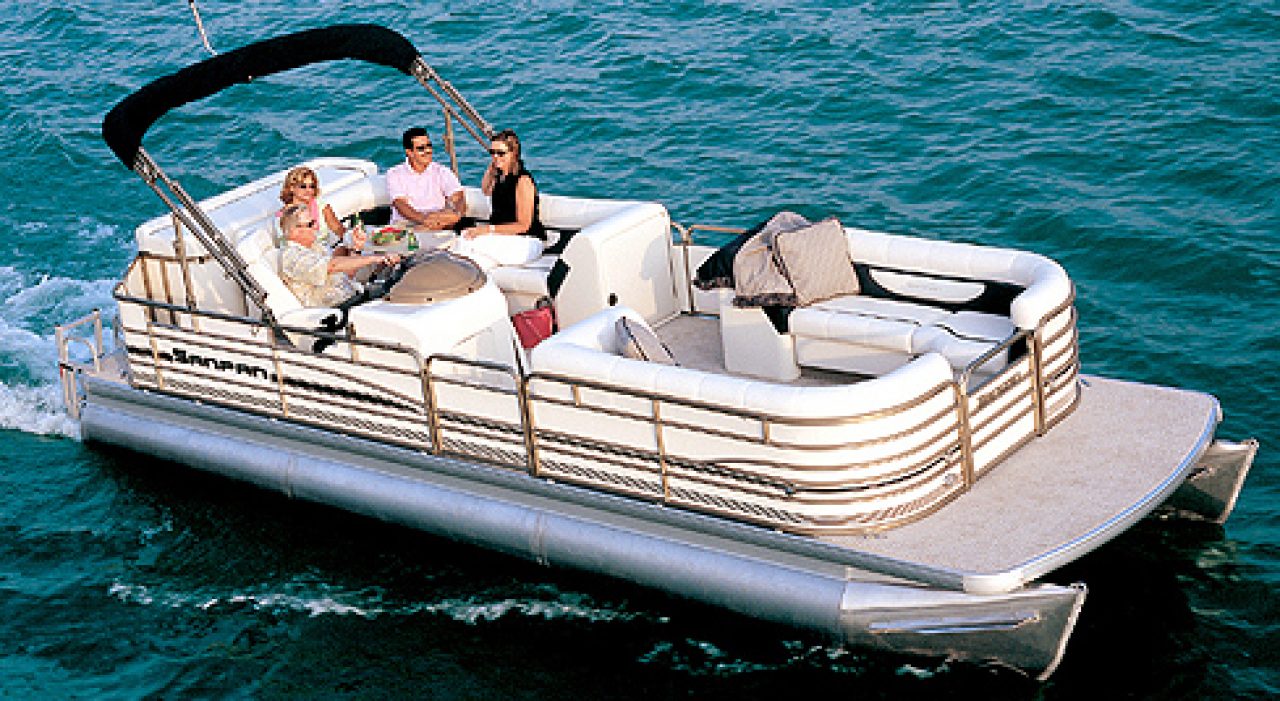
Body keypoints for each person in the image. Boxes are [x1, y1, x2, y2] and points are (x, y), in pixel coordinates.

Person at [456, 129, 545, 268]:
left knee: (466, 242)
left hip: (526, 242)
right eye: (492, 152)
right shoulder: (500, 177)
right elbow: (485, 190)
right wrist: (492, 167)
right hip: (502, 238)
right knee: (472, 259)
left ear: (514, 153)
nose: (496, 156)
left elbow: (524, 225)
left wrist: (487, 230)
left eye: (501, 153)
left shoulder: (523, 181)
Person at [277, 204, 398, 307]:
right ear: (294, 231)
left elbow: (347, 273)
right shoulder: (292, 256)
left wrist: (356, 247)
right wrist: (375, 259)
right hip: (336, 311)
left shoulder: (315, 247)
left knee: (396, 278)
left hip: (353, 295)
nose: (316, 227)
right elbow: (332, 266)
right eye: (310, 224)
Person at [387, 127, 465, 229]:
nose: (427, 150)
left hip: (438, 223)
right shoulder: (395, 173)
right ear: (409, 152)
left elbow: (458, 197)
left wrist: (456, 215)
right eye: (421, 148)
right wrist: (424, 220)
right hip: (406, 224)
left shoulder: (442, 171)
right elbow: (400, 204)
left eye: (429, 146)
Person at [278, 166, 357, 249]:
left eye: (312, 186)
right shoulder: (283, 215)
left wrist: (354, 239)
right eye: (303, 186)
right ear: (292, 188)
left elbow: (339, 230)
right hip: (299, 253)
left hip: (325, 250)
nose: (308, 190)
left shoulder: (321, 206)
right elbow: (286, 244)